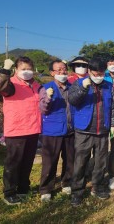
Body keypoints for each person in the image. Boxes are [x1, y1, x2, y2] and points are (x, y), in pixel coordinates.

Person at [68, 57, 114, 206]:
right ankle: (77, 192)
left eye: (101, 73)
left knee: (100, 162)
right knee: (80, 162)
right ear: (89, 71)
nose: (98, 76)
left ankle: (97, 187)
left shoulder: (108, 85)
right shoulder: (79, 83)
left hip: (102, 130)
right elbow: (72, 100)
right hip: (84, 130)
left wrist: (112, 124)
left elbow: (113, 106)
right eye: (95, 73)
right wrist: (83, 88)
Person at [0, 56, 41, 205]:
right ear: (16, 70)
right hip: (16, 131)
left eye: (29, 69)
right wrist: (4, 71)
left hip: (33, 129)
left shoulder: (36, 85)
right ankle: (9, 192)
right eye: (23, 69)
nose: (27, 72)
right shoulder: (11, 84)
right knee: (13, 163)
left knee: (27, 161)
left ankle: (23, 189)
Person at [39, 60, 75, 202]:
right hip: (52, 131)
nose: (62, 72)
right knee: (50, 161)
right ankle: (46, 189)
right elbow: (42, 109)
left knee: (69, 159)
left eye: (64, 69)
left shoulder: (72, 88)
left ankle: (66, 182)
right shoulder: (46, 88)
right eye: (59, 70)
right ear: (52, 73)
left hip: (70, 130)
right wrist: (48, 97)